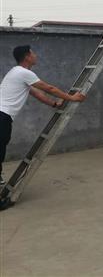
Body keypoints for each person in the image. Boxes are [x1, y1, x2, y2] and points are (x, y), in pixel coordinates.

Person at [0, 45, 86, 185]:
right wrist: (72, 98)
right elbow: (49, 88)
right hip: (2, 115)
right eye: (33, 53)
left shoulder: (16, 72)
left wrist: (54, 104)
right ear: (27, 57)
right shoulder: (24, 73)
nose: (35, 55)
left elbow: (36, 93)